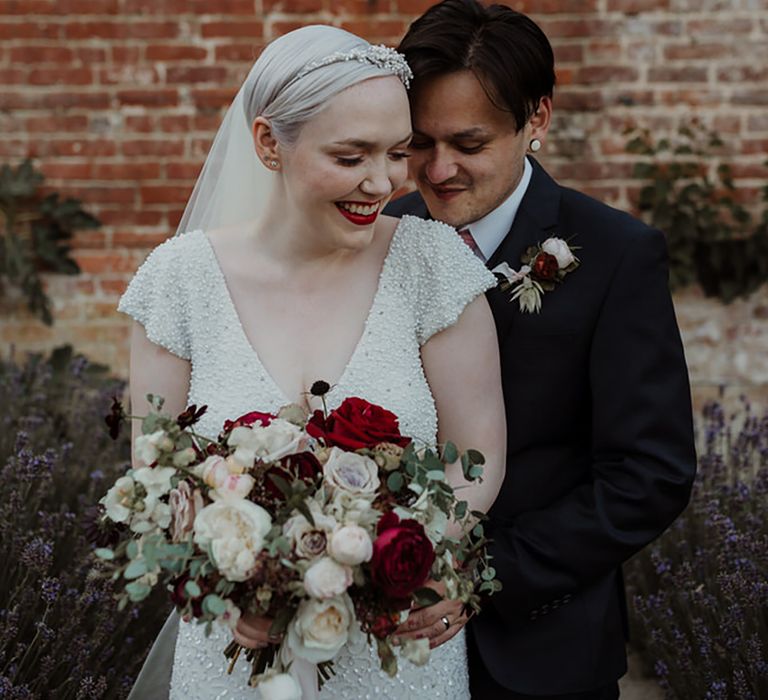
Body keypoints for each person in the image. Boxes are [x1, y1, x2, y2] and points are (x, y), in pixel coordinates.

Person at [117, 24, 506, 700]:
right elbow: (155, 476)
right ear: (270, 143)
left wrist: (401, 561)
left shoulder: (433, 266)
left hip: (398, 648)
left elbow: (476, 455)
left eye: (395, 152)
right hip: (236, 649)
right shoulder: (179, 281)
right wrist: (229, 581)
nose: (381, 181)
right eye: (351, 155)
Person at [384, 2, 697, 698]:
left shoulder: (619, 254)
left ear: (537, 120)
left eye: (469, 144)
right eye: (418, 144)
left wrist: (479, 575)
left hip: (541, 652)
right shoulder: (381, 235)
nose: (437, 171)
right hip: (379, 646)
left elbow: (650, 473)